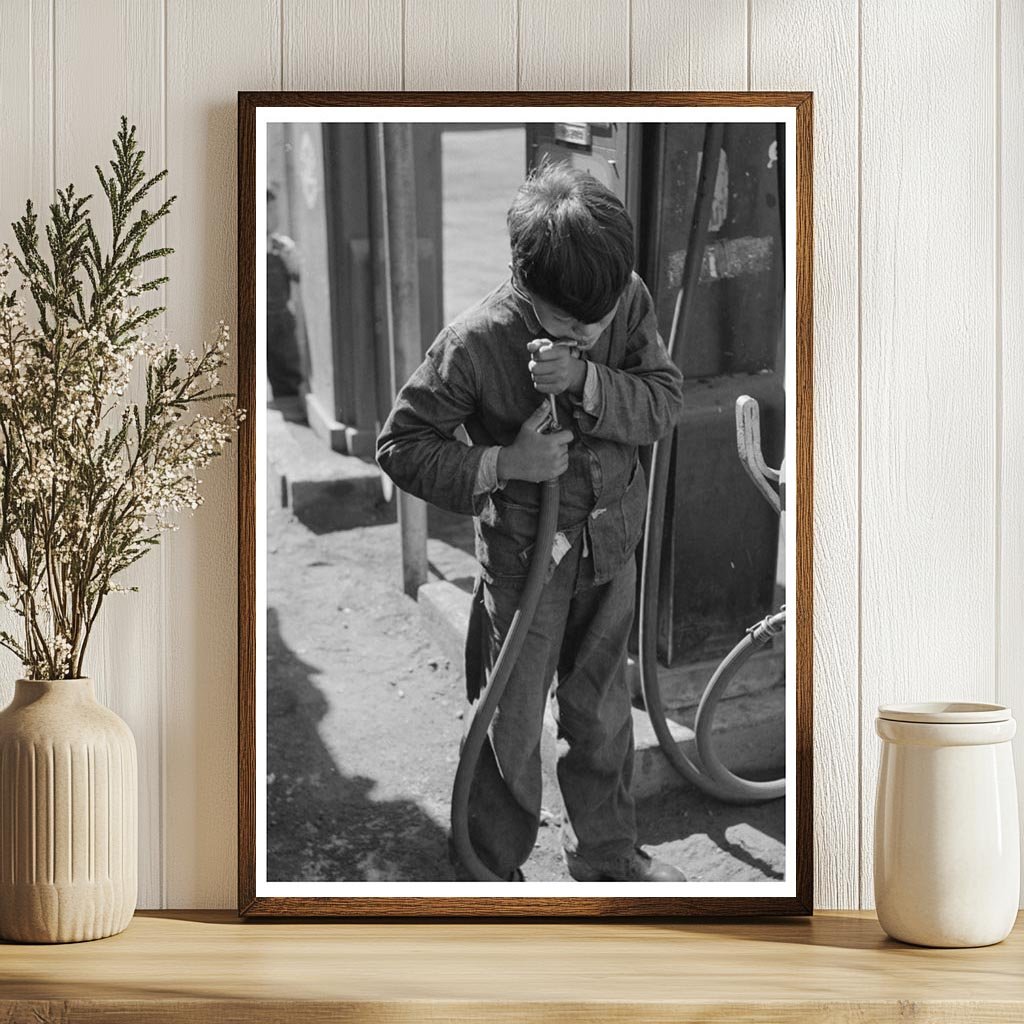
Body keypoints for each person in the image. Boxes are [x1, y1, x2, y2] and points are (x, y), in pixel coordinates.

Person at [376, 162, 686, 882]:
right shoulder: (477, 340)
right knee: (506, 729)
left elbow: (664, 402)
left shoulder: (625, 297)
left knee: (605, 715)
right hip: (525, 568)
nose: (592, 328)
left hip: (609, 551)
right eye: (570, 323)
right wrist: (504, 465)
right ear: (524, 282)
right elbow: (400, 445)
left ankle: (607, 857)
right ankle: (487, 874)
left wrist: (586, 379)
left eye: (601, 318)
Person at [266, 186, 305, 399]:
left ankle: (288, 400)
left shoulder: (282, 245)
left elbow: (298, 275)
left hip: (280, 317)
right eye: (267, 211)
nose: (273, 217)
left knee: (287, 367)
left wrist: (289, 259)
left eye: (274, 210)